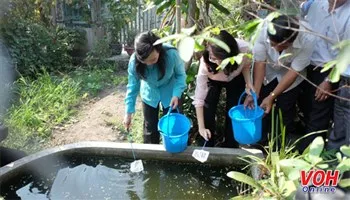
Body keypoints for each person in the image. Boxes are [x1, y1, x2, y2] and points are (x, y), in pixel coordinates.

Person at [245, 15, 315, 146]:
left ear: (290, 42)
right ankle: (260, 143)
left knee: (285, 110)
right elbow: (260, 63)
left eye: (280, 47)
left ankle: (279, 144)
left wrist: (272, 97)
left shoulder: (308, 37)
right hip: (268, 72)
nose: (274, 49)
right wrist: (255, 94)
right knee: (260, 105)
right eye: (271, 44)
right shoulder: (262, 30)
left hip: (291, 77)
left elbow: (294, 71)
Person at [302, 0, 350, 150]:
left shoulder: (348, 15)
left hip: (330, 70)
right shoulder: (315, 4)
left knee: (318, 115)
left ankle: (309, 154)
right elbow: (298, 14)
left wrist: (328, 80)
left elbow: (346, 55)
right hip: (305, 64)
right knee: (307, 109)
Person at [123, 31, 187, 144]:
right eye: (145, 61)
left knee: (173, 126)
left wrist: (177, 94)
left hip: (171, 93)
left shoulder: (171, 54)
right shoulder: (134, 61)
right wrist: (128, 113)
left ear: (158, 50)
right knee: (150, 129)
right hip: (149, 93)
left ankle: (172, 153)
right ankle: (151, 156)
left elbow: (181, 76)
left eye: (153, 60)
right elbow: (132, 87)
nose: (149, 64)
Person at [193, 30, 253, 148]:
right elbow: (199, 97)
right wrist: (201, 127)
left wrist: (248, 83)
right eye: (214, 58)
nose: (218, 63)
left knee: (234, 109)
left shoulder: (244, 49)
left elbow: (246, 65)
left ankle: (231, 145)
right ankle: (207, 142)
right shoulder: (206, 62)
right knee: (207, 108)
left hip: (235, 78)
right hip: (213, 79)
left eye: (221, 60)